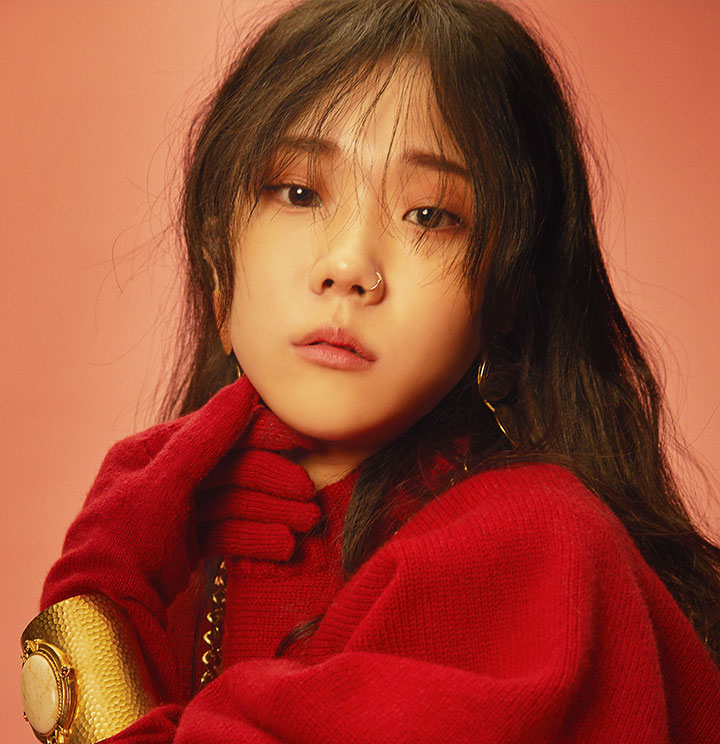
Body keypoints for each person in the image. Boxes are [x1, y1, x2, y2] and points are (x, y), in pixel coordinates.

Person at [19, 0, 720, 741]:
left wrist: (94, 608)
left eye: (430, 215)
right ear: (220, 258)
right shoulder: (200, 541)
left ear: (507, 297)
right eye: (298, 193)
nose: (349, 265)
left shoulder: (535, 548)